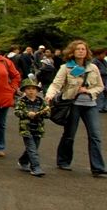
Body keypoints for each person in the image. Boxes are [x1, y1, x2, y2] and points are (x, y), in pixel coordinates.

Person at [45, 40, 106, 176]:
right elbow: (56, 84)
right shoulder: (66, 67)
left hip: (90, 105)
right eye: (78, 49)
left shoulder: (93, 68)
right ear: (72, 52)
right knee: (69, 135)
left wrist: (88, 91)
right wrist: (49, 95)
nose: (81, 51)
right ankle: (63, 161)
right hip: (72, 104)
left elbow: (100, 86)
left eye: (83, 49)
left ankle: (98, 168)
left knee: (95, 136)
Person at [14, 78, 49, 177]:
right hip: (26, 129)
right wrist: (27, 113)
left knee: (33, 148)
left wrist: (42, 113)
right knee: (32, 148)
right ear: (24, 90)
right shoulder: (22, 101)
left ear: (37, 90)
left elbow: (48, 113)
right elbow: (17, 112)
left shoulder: (41, 101)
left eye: (33, 89)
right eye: (28, 89)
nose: (31, 91)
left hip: (38, 128)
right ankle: (36, 167)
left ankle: (23, 161)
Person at [93, 48, 107, 113]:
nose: (104, 55)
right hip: (99, 80)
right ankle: (99, 108)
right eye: (103, 54)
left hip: (105, 80)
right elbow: (95, 71)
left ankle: (105, 107)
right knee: (101, 95)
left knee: (105, 95)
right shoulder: (94, 61)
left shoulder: (104, 61)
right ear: (98, 54)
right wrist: (105, 71)